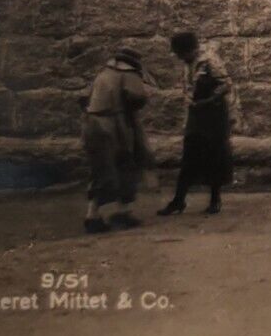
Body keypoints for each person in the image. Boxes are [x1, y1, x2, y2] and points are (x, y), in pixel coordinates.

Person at [158, 32, 234, 217]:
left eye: (180, 54)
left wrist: (207, 101)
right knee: (189, 157)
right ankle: (178, 200)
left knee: (215, 156)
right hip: (197, 115)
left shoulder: (210, 61)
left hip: (214, 116)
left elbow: (226, 84)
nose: (179, 58)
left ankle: (215, 200)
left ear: (190, 50)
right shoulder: (189, 64)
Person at [81, 49, 152, 233]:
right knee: (128, 164)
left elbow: (84, 99)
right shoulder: (129, 74)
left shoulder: (103, 73)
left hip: (92, 123)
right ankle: (123, 212)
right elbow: (138, 98)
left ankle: (92, 215)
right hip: (115, 126)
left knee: (100, 170)